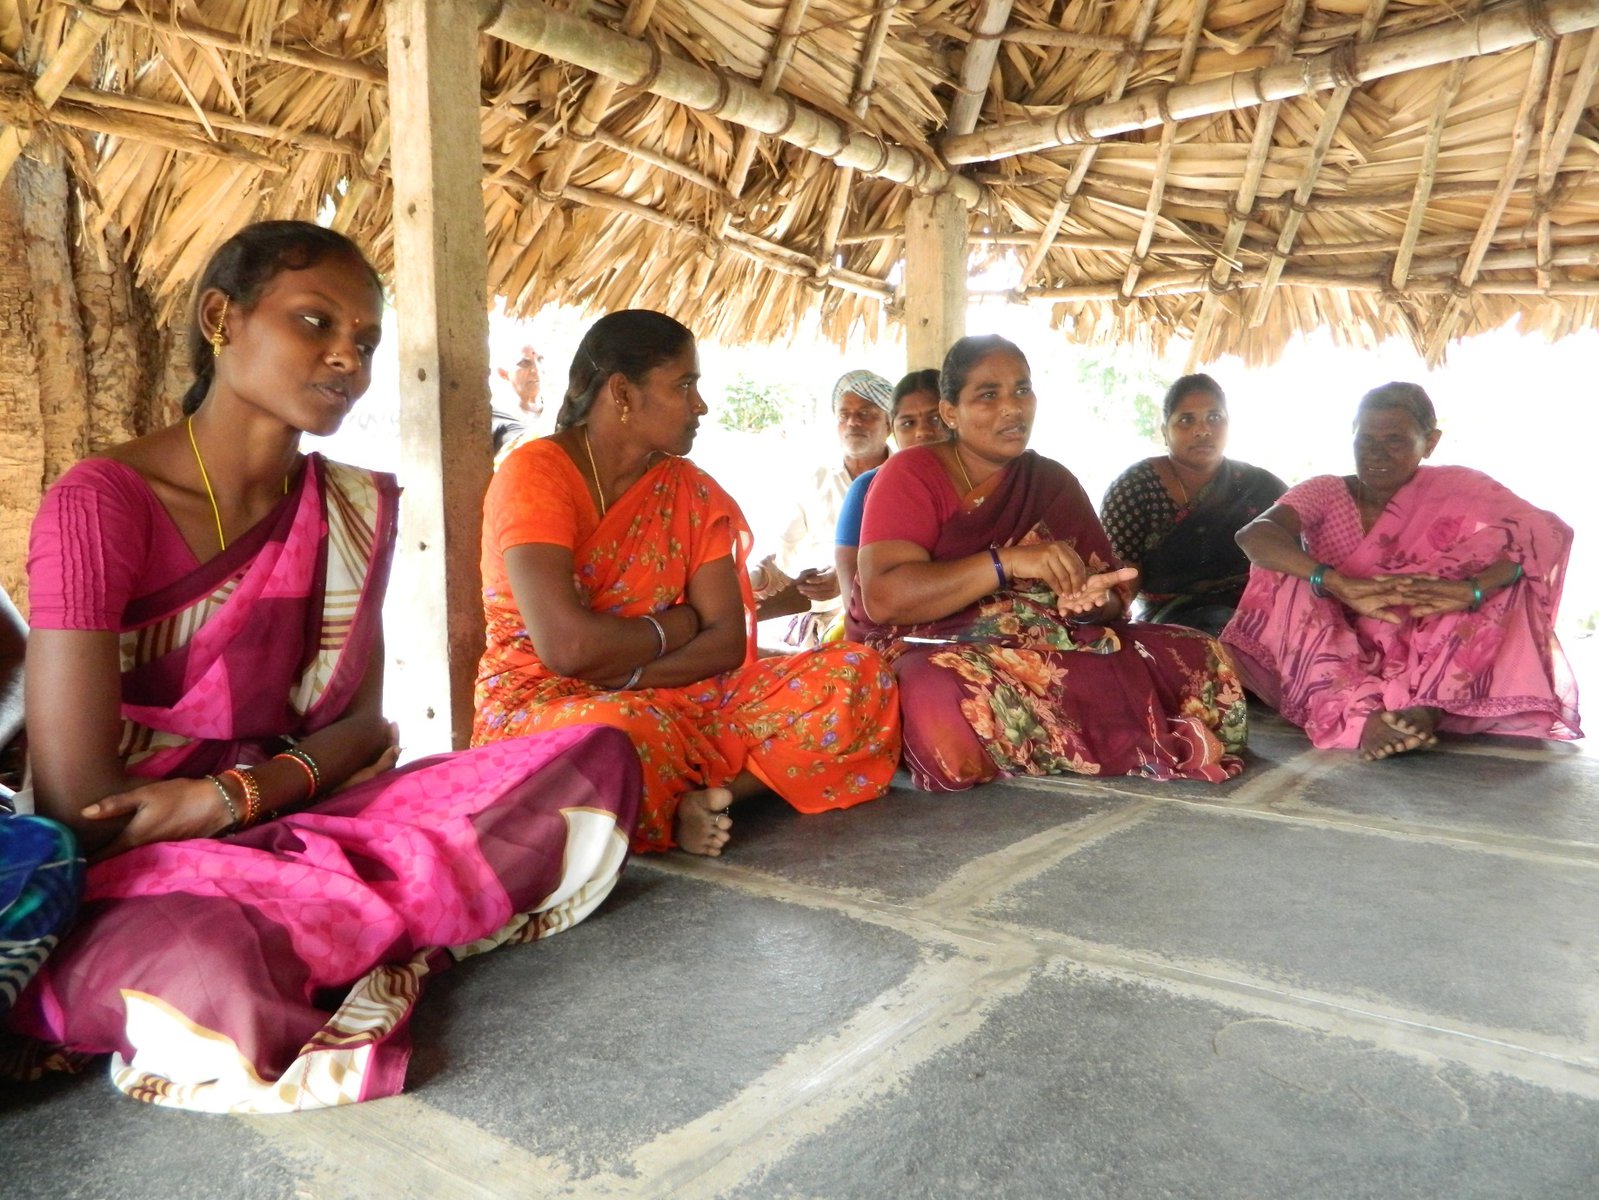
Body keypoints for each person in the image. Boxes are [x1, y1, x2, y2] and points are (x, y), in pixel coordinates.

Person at [4, 221, 640, 1110]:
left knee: (594, 755)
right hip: (139, 868)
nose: (349, 358)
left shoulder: (344, 506)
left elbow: (363, 729)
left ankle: (333, 918)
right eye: (316, 323)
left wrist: (231, 798)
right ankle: (381, 915)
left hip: (303, 817)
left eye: (366, 342)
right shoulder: (101, 503)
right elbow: (84, 806)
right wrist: (217, 813)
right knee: (208, 967)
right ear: (220, 317)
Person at [473, 310, 900, 857]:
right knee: (609, 736)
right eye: (685, 385)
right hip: (546, 702)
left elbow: (722, 640)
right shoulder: (537, 475)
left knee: (856, 674)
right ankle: (692, 795)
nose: (700, 404)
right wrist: (674, 625)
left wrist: (629, 668)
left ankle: (711, 796)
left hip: (673, 692)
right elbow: (567, 649)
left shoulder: (689, 490)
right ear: (622, 393)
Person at [850, 335, 1248, 792]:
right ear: (950, 413)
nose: (1011, 408)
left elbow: (1110, 596)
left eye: (1022, 390)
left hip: (1050, 643)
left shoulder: (1051, 480)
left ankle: (1048, 743)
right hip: (933, 646)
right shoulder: (911, 474)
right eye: (988, 395)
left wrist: (1090, 602)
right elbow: (884, 597)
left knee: (1199, 653)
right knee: (935, 692)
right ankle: (1072, 737)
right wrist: (1008, 563)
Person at [1222, 381, 1581, 761]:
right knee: (1279, 572)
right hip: (1334, 643)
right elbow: (1255, 535)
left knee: (1508, 578)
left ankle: (1429, 705)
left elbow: (1547, 531)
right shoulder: (1325, 491)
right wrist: (1337, 582)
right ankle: (1364, 717)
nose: (1377, 454)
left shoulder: (1457, 488)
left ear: (1430, 443)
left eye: (1395, 441)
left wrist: (1471, 590)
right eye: (1366, 440)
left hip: (1418, 633)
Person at [1100, 374, 1286, 634]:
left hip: (1264, 614)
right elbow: (1122, 585)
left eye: (1214, 418)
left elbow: (1295, 560)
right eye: (1187, 420)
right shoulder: (1136, 489)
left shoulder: (1261, 486)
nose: (1203, 430)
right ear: (1165, 431)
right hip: (1172, 624)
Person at [754, 369, 896, 649]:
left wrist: (846, 582)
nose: (853, 423)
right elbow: (784, 556)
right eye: (844, 415)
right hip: (817, 619)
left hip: (882, 618)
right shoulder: (814, 480)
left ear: (889, 423)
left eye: (865, 413)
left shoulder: (906, 479)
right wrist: (768, 577)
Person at [833, 368, 950, 606]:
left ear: (955, 418)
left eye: (935, 419)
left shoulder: (982, 481)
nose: (922, 432)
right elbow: (854, 602)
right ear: (893, 430)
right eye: (908, 423)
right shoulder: (866, 489)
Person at [491, 343, 546, 465]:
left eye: (540, 360)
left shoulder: (560, 411)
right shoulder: (495, 417)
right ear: (503, 373)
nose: (536, 369)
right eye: (524, 363)